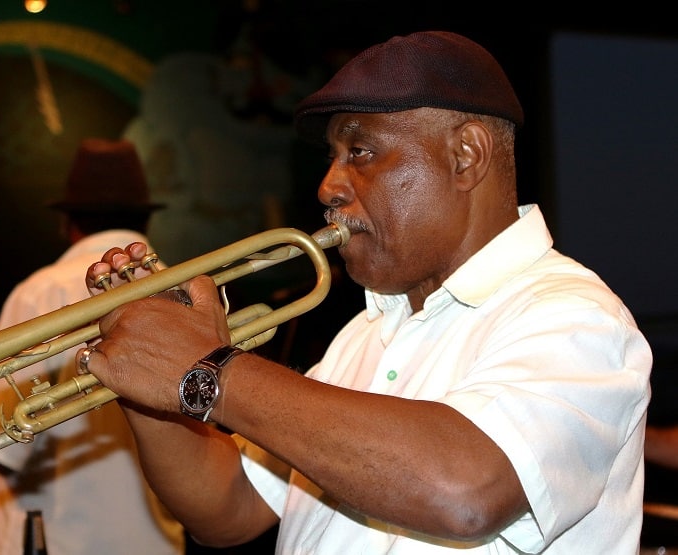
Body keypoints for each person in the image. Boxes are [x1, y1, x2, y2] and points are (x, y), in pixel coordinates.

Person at [78, 31, 653, 553]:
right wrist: (146, 375)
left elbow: (466, 490)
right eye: (332, 157)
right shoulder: (367, 330)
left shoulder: (574, 315)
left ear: (466, 155)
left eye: (361, 152)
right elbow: (228, 509)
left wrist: (209, 369)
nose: (329, 185)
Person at [0, 138, 184, 555]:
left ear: (68, 224)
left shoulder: (37, 293)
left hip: (51, 542)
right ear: (145, 223)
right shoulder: (183, 293)